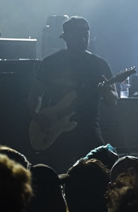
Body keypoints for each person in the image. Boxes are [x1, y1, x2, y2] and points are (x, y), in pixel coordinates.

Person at [27, 16, 117, 172]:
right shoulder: (51, 63)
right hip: (54, 129)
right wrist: (36, 116)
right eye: (77, 35)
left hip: (87, 128)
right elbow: (35, 94)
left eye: (86, 35)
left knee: (103, 169)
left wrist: (107, 92)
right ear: (66, 37)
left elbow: (113, 101)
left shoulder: (98, 64)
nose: (83, 39)